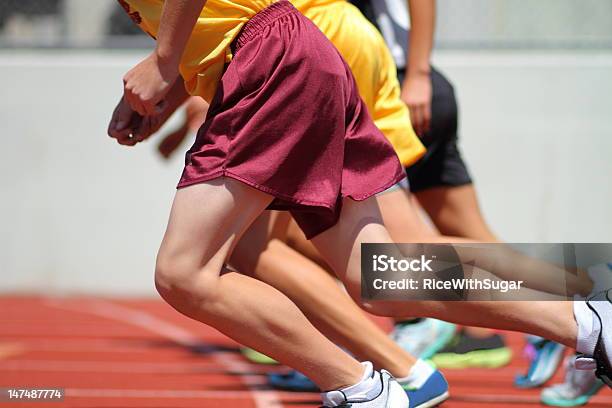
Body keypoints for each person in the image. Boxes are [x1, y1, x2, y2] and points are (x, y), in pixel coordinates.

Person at [107, 2, 612, 407]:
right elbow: (215, 24)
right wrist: (162, 88)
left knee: (194, 267)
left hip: (286, 53)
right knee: (385, 275)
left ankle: (368, 381)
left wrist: (164, 61)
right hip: (298, 52)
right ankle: (590, 316)